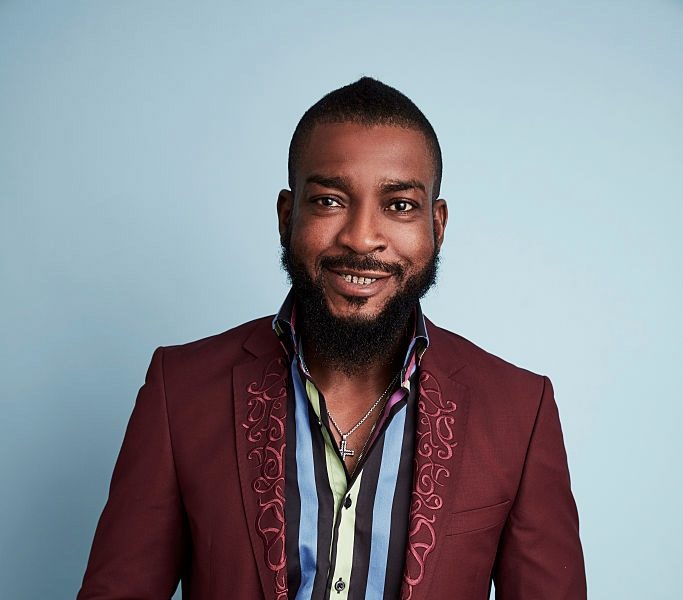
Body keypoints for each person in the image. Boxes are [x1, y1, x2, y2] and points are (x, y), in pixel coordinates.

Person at [77, 77, 586, 600]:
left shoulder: (518, 412)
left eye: (400, 205)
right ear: (287, 217)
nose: (361, 238)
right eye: (328, 200)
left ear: (437, 225)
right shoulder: (180, 391)